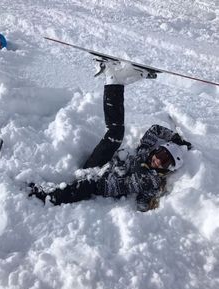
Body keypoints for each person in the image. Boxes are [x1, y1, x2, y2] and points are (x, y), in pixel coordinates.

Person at [28, 61, 192, 212]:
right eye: (161, 154)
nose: (158, 160)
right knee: (115, 134)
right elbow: (154, 130)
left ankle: (46, 196)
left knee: (81, 188)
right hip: (102, 164)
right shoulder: (145, 151)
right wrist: (175, 137)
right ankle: (114, 81)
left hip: (102, 185)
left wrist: (151, 202)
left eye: (164, 161)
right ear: (158, 150)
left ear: (167, 168)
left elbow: (142, 204)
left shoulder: (153, 181)